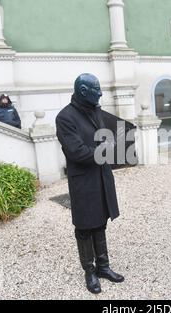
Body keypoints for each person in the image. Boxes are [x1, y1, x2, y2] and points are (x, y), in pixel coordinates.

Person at [55, 73, 124, 294]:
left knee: (100, 221)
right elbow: (76, 152)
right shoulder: (65, 117)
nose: (101, 93)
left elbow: (104, 136)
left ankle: (103, 266)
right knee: (85, 226)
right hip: (83, 180)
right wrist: (106, 150)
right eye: (97, 89)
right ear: (84, 91)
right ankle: (90, 271)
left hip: (101, 175)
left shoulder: (94, 108)